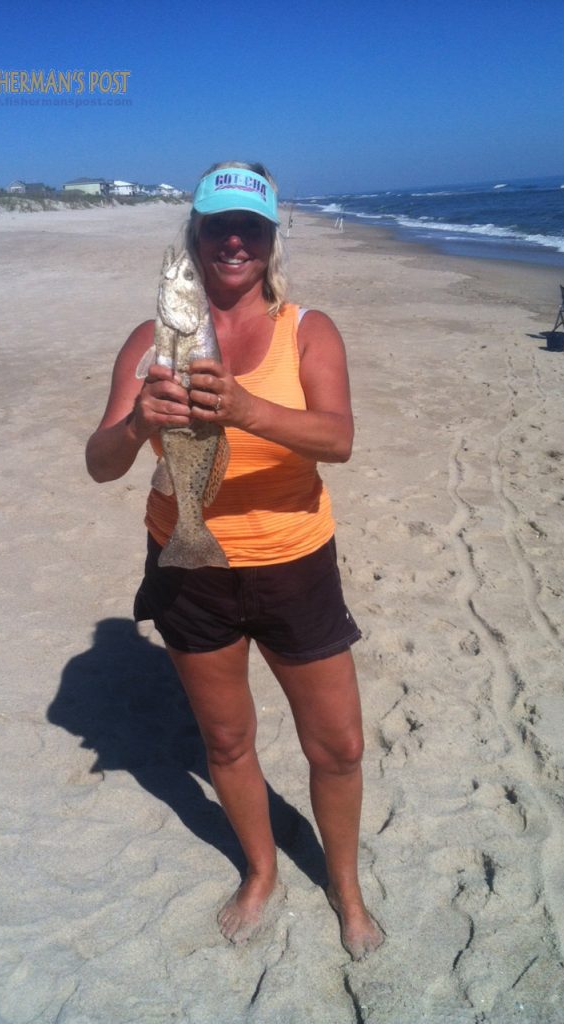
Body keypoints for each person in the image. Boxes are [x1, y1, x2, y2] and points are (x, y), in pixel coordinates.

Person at [85, 161, 384, 961]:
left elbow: (340, 438)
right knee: (225, 743)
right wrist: (137, 421)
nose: (232, 241)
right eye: (217, 225)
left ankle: (345, 889)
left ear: (271, 238)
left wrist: (248, 406)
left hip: (294, 563)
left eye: (249, 227)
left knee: (340, 746)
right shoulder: (150, 341)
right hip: (190, 565)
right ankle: (260, 872)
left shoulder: (308, 329)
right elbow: (101, 462)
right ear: (194, 236)